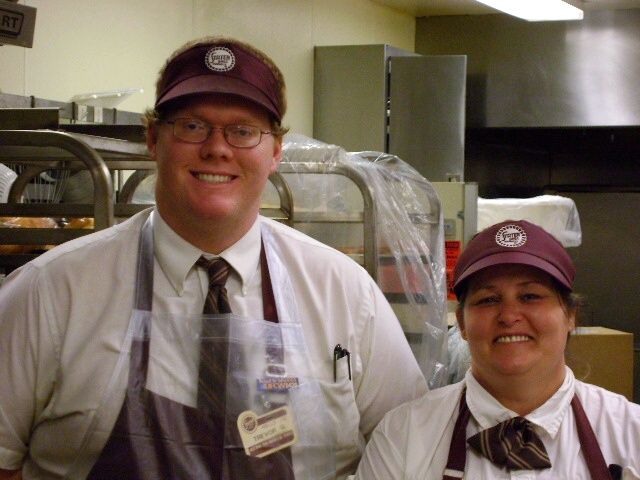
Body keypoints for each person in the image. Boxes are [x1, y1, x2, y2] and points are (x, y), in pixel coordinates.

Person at [0, 36, 427, 480]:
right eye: (192, 126)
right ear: (153, 139)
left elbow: (412, 451)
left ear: (275, 151)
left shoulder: (344, 292)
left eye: (242, 131)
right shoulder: (49, 292)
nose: (217, 148)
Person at [353, 220, 640, 479]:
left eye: (530, 296)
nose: (509, 316)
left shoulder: (631, 431)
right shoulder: (403, 436)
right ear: (462, 324)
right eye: (488, 300)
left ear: (570, 316)